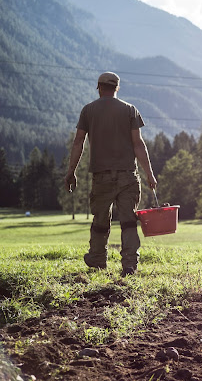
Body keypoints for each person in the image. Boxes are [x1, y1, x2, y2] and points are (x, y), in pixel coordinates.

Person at [64, 71, 157, 276]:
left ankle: (97, 260)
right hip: (128, 176)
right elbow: (138, 145)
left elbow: (78, 142)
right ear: (117, 88)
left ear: (99, 87)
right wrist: (149, 173)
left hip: (101, 176)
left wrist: (71, 171)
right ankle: (130, 265)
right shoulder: (130, 110)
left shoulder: (88, 111)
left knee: (100, 220)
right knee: (128, 222)